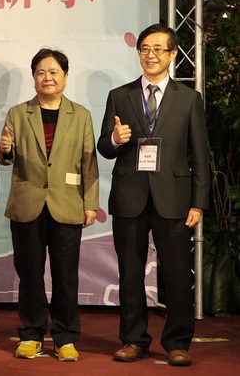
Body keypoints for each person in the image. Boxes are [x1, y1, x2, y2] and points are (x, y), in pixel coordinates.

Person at [97, 24, 209, 367]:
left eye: (159, 49)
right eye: (145, 48)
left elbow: (201, 153)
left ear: (173, 54)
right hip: (130, 195)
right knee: (130, 274)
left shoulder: (189, 98)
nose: (151, 55)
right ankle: (134, 341)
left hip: (174, 198)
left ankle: (177, 342)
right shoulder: (120, 95)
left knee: (176, 274)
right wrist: (116, 139)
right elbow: (104, 146)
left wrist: (199, 201)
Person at [0, 48, 99, 362]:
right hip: (28, 204)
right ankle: (31, 334)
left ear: (65, 77)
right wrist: (3, 150)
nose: (47, 77)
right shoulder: (18, 112)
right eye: (41, 72)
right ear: (34, 77)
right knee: (29, 274)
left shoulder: (80, 114)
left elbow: (89, 164)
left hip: (67, 204)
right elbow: (5, 157)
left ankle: (65, 338)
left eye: (54, 72)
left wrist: (90, 204)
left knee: (66, 276)